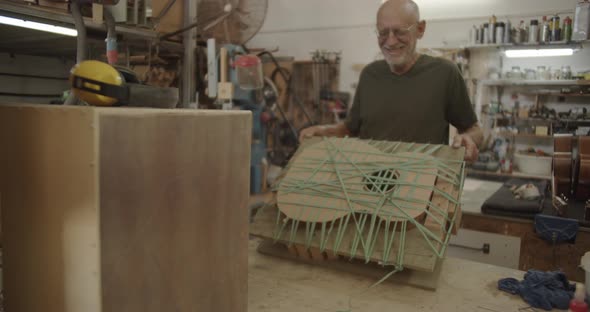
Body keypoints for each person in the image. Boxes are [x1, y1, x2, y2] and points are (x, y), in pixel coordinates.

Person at [299, 0, 483, 162]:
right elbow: (350, 129)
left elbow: (474, 130)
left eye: (400, 31)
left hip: (420, 188)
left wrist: (469, 140)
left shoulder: (445, 73)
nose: (391, 41)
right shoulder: (370, 75)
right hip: (369, 184)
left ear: (420, 29)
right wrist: (324, 131)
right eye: (383, 33)